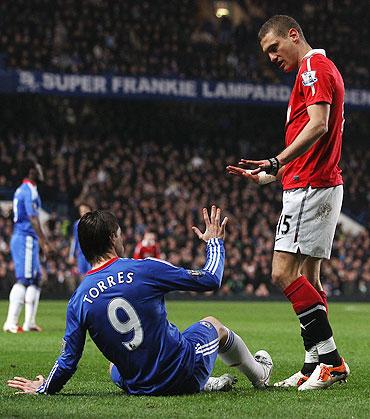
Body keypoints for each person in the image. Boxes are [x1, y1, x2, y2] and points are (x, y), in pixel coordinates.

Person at [7, 206, 273, 396]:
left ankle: (204, 381)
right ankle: (260, 376)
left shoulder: (78, 298)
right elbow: (210, 279)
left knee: (114, 365)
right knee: (213, 324)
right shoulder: (144, 268)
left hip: (139, 386)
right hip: (181, 372)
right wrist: (214, 243)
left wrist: (44, 387)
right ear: (113, 238)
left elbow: (68, 361)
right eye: (120, 233)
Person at [227, 15, 349, 391]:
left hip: (310, 187)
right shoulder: (318, 69)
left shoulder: (313, 67)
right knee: (309, 279)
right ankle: (312, 364)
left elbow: (318, 125)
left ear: (293, 35)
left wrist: (277, 161)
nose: (272, 58)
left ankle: (331, 362)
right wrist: (269, 175)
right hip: (317, 181)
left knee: (282, 273)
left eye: (274, 48)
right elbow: (314, 142)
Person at [3, 159, 49, 333]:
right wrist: (44, 241)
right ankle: (10, 322)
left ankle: (29, 322)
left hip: (29, 238)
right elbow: (32, 217)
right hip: (25, 238)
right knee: (24, 279)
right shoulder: (27, 189)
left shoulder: (28, 189)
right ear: (31, 171)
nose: (40, 170)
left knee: (36, 279)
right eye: (38, 167)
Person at [69, 203, 92, 276]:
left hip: (92, 253)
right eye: (81, 211)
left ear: (89, 210)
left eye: (85, 210)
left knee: (91, 274)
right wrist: (71, 255)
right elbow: (75, 240)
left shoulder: (94, 223)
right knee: (82, 275)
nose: (83, 213)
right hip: (81, 254)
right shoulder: (76, 224)